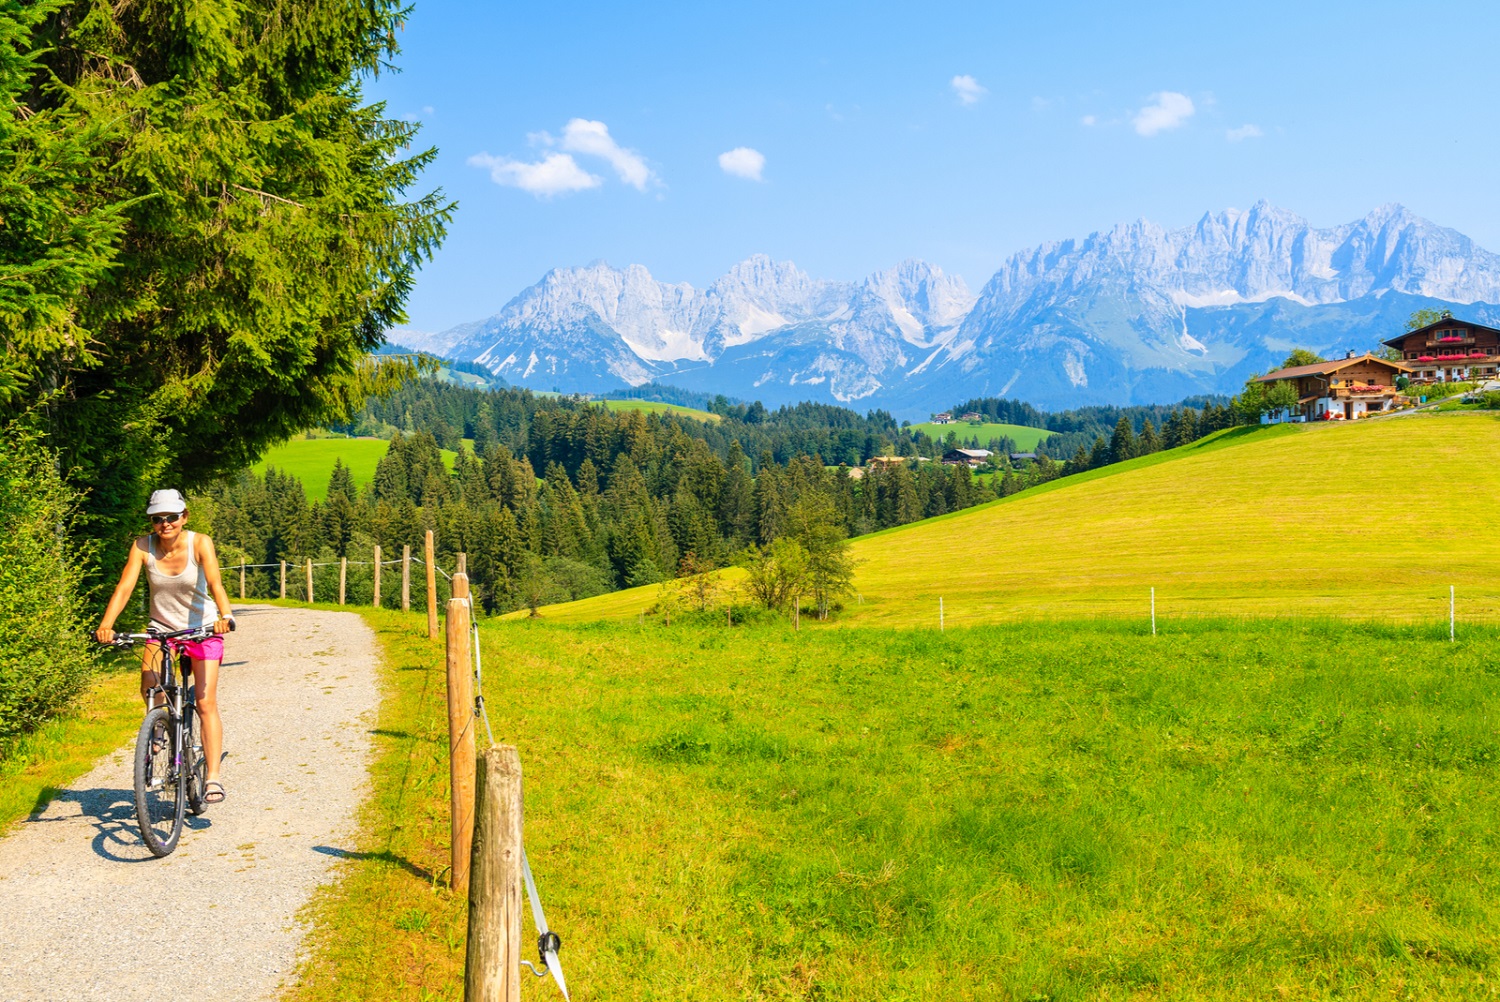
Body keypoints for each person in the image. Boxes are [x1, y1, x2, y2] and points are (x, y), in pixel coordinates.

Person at [96, 489, 236, 804]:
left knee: (204, 702)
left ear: (184, 517)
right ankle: (158, 727)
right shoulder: (142, 546)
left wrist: (226, 616)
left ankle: (212, 777)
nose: (165, 524)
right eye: (158, 519)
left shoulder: (200, 543)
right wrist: (106, 625)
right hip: (162, 629)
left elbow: (215, 583)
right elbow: (125, 587)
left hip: (202, 628)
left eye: (171, 517)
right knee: (149, 686)